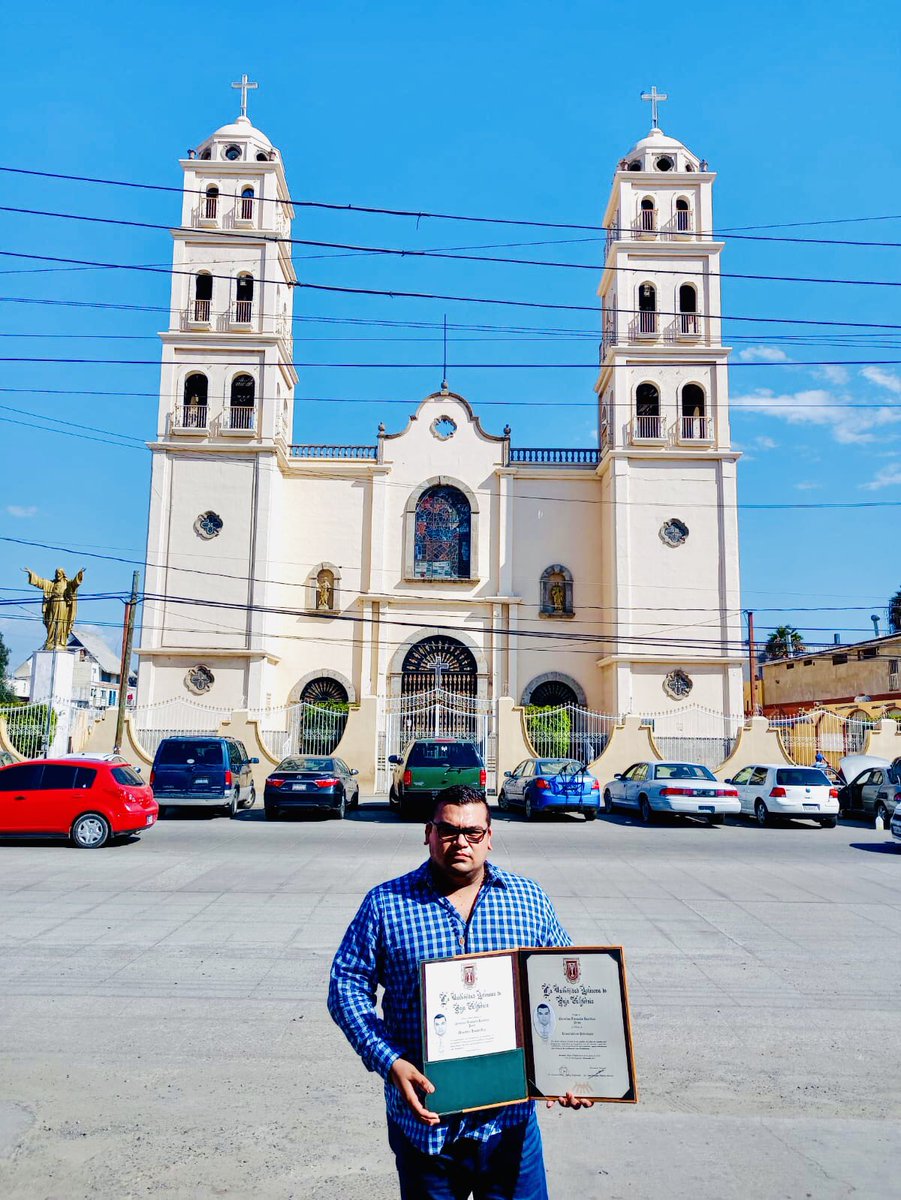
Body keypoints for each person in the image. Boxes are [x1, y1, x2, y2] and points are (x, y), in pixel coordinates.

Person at [328, 784, 591, 1199]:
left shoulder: (529, 900)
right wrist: (389, 1060)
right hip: (426, 1131)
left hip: (509, 1128)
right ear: (428, 833)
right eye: (448, 831)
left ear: (489, 837)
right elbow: (346, 986)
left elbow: (564, 986)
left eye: (472, 832)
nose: (459, 842)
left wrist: (572, 1066)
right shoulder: (385, 904)